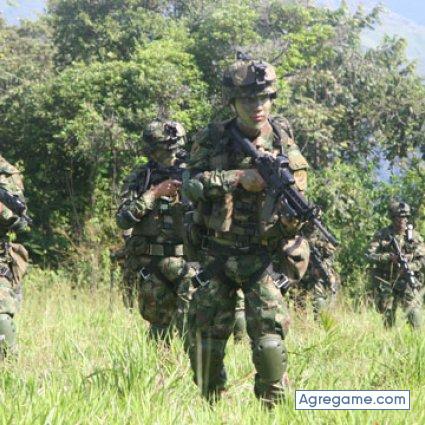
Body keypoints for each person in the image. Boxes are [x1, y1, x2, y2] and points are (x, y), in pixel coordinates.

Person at [183, 56, 309, 406]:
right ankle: (213, 409)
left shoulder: (282, 137)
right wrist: (237, 178)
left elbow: (300, 188)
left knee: (270, 344)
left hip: (262, 258)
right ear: (232, 101)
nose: (258, 107)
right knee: (205, 345)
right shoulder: (212, 138)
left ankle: (273, 411)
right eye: (249, 99)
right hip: (218, 255)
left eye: (264, 98)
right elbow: (190, 185)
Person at [116, 120, 195, 346]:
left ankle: (194, 365)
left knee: (192, 324)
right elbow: (123, 219)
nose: (169, 154)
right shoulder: (141, 177)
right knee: (159, 329)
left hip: (189, 263)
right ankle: (159, 367)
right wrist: (153, 194)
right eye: (163, 148)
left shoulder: (193, 174)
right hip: (153, 265)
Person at [367, 201, 425, 329]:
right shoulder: (382, 235)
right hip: (386, 280)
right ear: (393, 218)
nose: (403, 220)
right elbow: (370, 255)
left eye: (405, 217)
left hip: (407, 280)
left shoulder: (414, 236)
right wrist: (388, 257)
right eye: (400, 217)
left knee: (414, 312)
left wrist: (410, 264)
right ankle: (389, 337)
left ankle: (416, 339)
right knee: (386, 314)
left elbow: (422, 260)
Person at [0, 154, 30, 360]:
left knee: (2, 315)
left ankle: (8, 367)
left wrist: (3, 211)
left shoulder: (7, 173)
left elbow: (21, 221)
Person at [292, 223, 340, 319]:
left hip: (318, 271)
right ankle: (302, 323)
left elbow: (330, 256)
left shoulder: (323, 233)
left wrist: (323, 268)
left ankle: (320, 322)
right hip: (301, 270)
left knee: (318, 298)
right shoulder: (298, 231)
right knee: (298, 298)